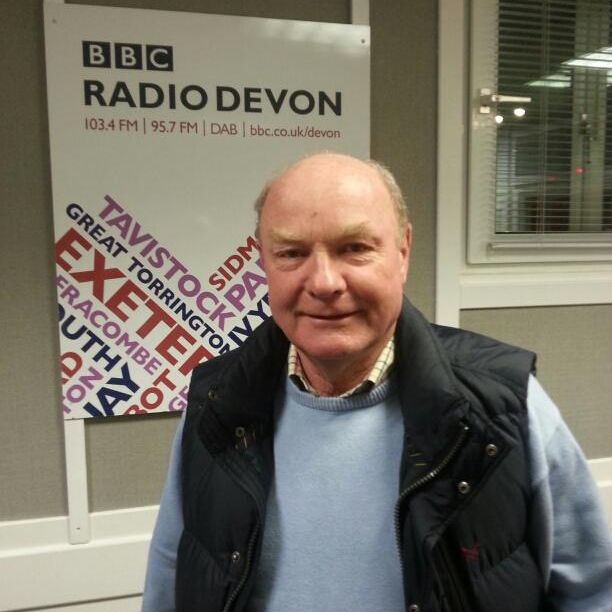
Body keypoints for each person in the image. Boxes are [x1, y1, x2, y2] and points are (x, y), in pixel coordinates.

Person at [142, 153, 612, 612]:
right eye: (292, 253)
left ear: (402, 252)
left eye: (354, 248)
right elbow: (170, 574)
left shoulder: (504, 406)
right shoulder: (216, 404)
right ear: (263, 260)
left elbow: (592, 592)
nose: (324, 282)